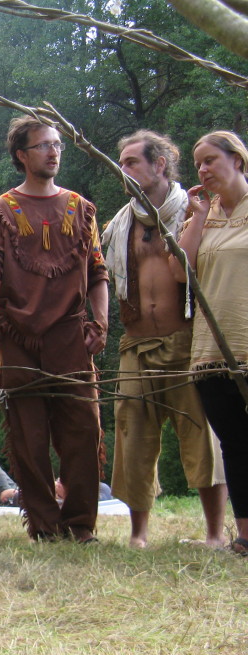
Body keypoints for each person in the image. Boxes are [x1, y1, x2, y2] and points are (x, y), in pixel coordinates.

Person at [0, 116, 108, 542]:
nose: (53, 152)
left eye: (57, 145)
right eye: (43, 145)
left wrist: (101, 322)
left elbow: (97, 272)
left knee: (82, 434)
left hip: (71, 336)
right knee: (29, 440)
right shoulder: (0, 210)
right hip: (18, 339)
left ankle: (80, 526)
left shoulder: (81, 208)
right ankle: (45, 527)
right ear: (22, 155)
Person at [101, 129, 227, 549]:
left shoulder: (193, 212)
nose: (123, 169)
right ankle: (138, 534)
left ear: (159, 165)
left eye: (132, 162)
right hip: (136, 344)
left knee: (202, 435)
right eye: (121, 162)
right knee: (132, 435)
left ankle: (214, 533)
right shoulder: (120, 225)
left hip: (188, 341)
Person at [174, 130, 248, 555]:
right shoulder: (205, 216)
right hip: (211, 354)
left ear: (237, 159)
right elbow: (181, 272)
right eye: (198, 163)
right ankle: (246, 536)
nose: (202, 170)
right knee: (236, 445)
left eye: (210, 160)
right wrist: (199, 217)